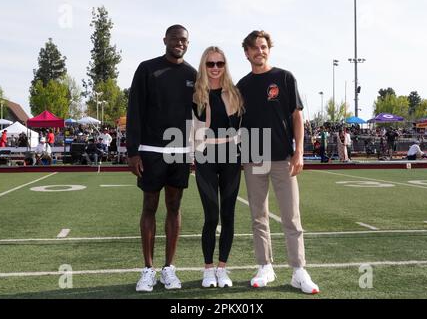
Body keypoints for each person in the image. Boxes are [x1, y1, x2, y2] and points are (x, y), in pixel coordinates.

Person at [237, 30, 319, 294]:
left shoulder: (284, 77)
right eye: (254, 48)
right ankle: (265, 266)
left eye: (263, 47)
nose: (259, 51)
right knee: (258, 217)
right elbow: (239, 124)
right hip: (254, 159)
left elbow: (297, 116)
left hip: (283, 158)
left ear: (268, 49)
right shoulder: (242, 85)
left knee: (291, 217)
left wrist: (299, 153)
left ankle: (298, 270)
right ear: (247, 53)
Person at [126, 25, 197, 292]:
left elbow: (200, 115)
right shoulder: (147, 69)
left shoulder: (193, 74)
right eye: (176, 39)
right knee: (149, 206)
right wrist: (133, 151)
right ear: (165, 40)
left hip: (180, 152)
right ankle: (147, 269)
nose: (180, 43)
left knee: (175, 207)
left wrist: (195, 150)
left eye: (185, 40)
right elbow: (134, 110)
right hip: (151, 151)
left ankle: (169, 268)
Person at [192, 46, 244, 288]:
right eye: (210, 63)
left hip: (231, 156)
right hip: (205, 156)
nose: (215, 68)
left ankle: (222, 268)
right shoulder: (195, 94)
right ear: (204, 65)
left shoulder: (234, 93)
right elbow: (188, 128)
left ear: (225, 66)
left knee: (228, 215)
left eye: (219, 63)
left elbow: (244, 126)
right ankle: (208, 269)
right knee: (211, 215)